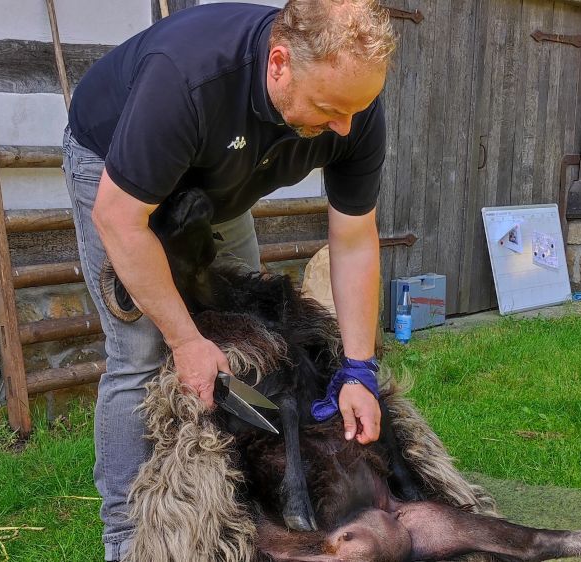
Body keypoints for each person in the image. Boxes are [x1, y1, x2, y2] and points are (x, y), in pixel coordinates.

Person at [61, 1, 397, 559]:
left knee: (255, 331)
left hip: (221, 177)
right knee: (141, 352)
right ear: (279, 64)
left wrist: (360, 368)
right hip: (118, 174)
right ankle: (125, 537)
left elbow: (355, 237)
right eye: (329, 109)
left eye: (355, 110)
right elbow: (119, 220)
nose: (345, 127)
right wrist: (185, 340)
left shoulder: (351, 105)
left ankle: (238, 508)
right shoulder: (187, 76)